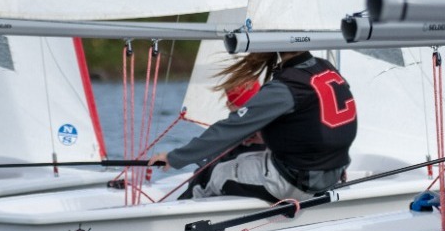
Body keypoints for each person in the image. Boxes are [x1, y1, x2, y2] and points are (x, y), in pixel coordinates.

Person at [153, 50, 357, 202]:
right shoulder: (327, 69)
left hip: (297, 182)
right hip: (334, 175)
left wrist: (174, 158)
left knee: (209, 176)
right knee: (243, 159)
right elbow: (313, 122)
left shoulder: (287, 86)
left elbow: (231, 128)